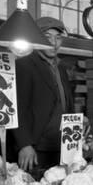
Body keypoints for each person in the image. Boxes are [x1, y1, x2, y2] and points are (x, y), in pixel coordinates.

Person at [10, 17, 74, 171]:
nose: (54, 43)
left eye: (58, 38)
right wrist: (24, 144)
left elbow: (64, 103)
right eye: (48, 37)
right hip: (36, 148)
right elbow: (16, 107)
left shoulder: (62, 68)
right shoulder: (23, 65)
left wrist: (77, 122)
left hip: (62, 145)